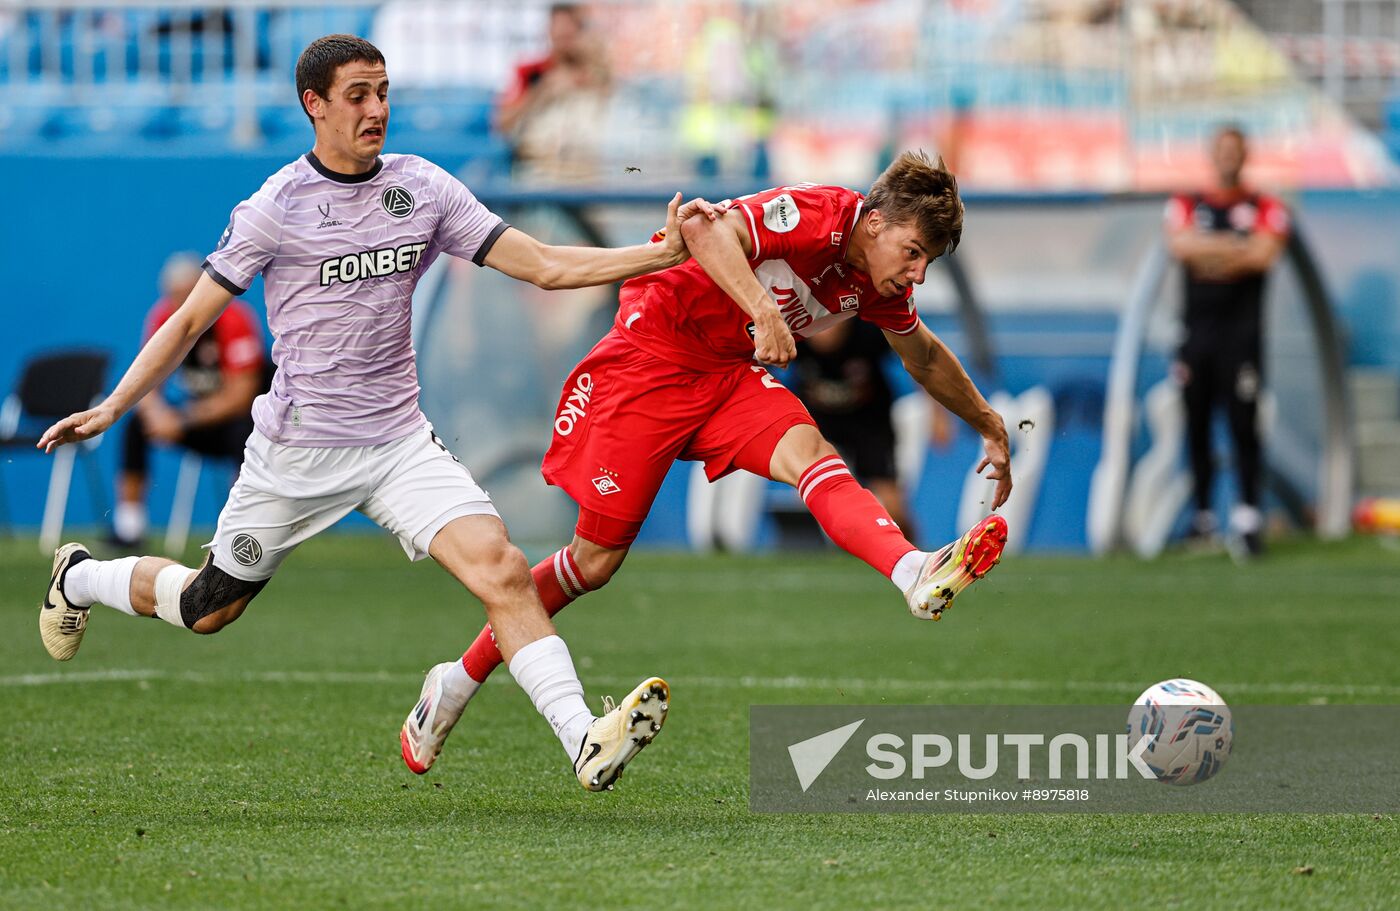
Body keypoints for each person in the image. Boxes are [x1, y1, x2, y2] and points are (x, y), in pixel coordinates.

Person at [37, 34, 718, 793]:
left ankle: (583, 738)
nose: (376, 110)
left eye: (383, 92)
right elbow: (189, 320)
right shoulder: (273, 208)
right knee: (206, 609)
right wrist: (113, 405)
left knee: (504, 571)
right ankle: (84, 579)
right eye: (358, 95)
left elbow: (546, 265)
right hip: (296, 454)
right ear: (314, 105)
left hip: (397, 443)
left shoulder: (422, 188)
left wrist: (658, 255)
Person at [407, 152, 1014, 772]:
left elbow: (925, 356)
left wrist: (990, 425)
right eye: (913, 251)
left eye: (928, 263)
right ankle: (453, 685)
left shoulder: (871, 282)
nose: (916, 273)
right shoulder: (821, 214)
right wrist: (762, 307)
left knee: (810, 451)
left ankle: (912, 571)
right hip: (649, 361)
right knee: (594, 563)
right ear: (878, 221)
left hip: (724, 375)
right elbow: (702, 228)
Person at [1164, 125, 1289, 557]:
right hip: (1197, 336)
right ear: (1212, 154)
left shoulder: (1266, 205)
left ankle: (1248, 518)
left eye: (1235, 150)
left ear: (1245, 154)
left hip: (1243, 338)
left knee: (1243, 424)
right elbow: (1181, 247)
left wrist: (1212, 254)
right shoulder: (1186, 203)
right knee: (1195, 423)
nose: (1228, 157)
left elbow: (1265, 253)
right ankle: (1203, 519)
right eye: (1222, 150)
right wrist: (1237, 249)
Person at [112, 253, 265, 548]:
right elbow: (145, 378)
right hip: (197, 419)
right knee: (136, 426)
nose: (181, 306)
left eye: (187, 296)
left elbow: (240, 397)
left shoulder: (234, 319)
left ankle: (240, 527)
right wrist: (157, 414)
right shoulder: (164, 318)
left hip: (239, 421)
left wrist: (182, 419)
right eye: (174, 298)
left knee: (244, 432)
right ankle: (129, 527)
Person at [790, 317, 953, 537]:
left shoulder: (870, 328)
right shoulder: (791, 330)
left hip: (870, 423)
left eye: (830, 321)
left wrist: (938, 414)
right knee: (817, 497)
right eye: (817, 324)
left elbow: (916, 358)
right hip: (819, 424)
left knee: (892, 507)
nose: (824, 331)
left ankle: (914, 555)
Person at [494, 3, 611, 182]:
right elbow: (501, 124)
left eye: (570, 35)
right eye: (560, 35)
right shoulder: (531, 72)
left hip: (587, 175)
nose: (565, 43)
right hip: (541, 173)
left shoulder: (597, 74)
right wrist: (542, 92)